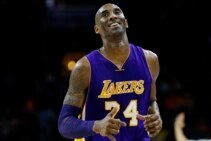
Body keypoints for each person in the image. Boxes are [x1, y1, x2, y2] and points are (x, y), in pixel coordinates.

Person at [58, 3, 162, 141]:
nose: (112, 16)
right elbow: (64, 124)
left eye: (117, 12)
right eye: (105, 15)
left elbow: (151, 101)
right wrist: (96, 126)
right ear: (97, 29)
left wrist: (156, 115)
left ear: (126, 22)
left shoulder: (150, 60)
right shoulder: (84, 67)